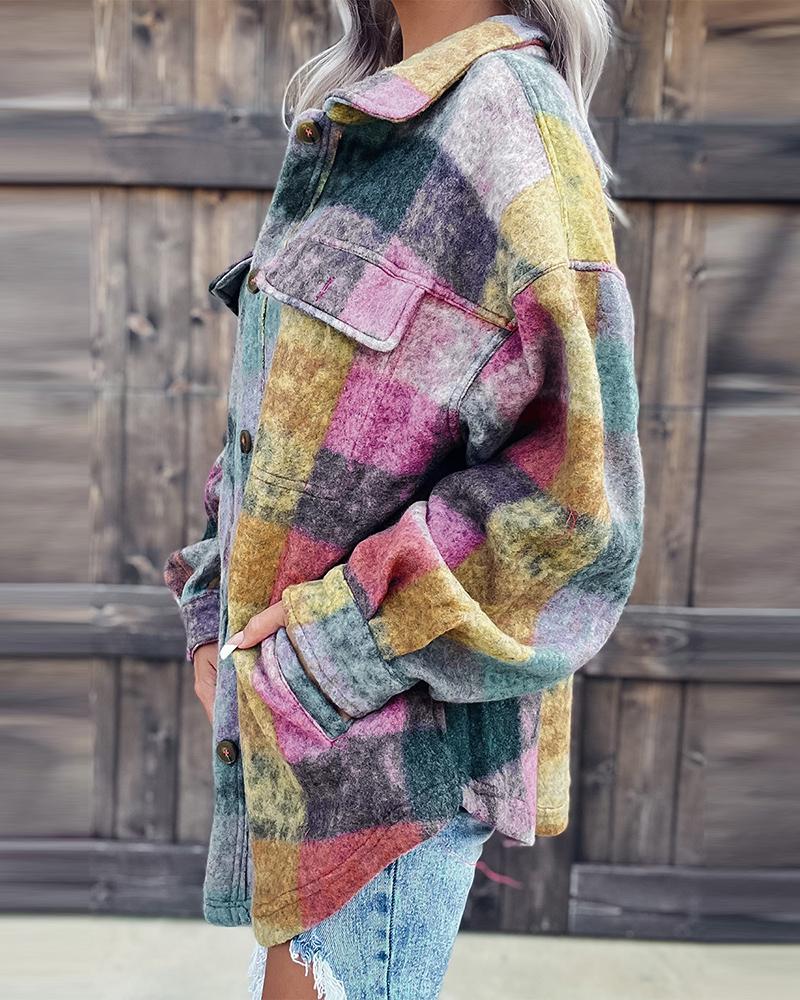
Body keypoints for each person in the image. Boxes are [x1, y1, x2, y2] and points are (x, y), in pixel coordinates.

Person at [162, 1, 645, 997]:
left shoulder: (507, 116)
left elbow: (572, 506)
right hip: (299, 756)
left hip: (388, 766)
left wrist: (321, 656)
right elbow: (274, 422)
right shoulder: (371, 126)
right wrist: (213, 611)